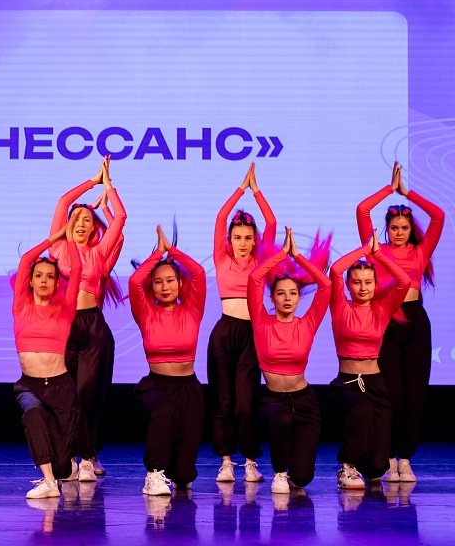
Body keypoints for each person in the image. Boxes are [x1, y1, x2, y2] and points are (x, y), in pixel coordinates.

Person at [356, 162, 444, 482]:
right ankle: (388, 456)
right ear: (387, 229)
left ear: (410, 230)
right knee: (391, 393)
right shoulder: (376, 250)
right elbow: (362, 210)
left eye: (404, 228)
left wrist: (408, 193)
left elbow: (438, 216)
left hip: (416, 322)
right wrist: (388, 190)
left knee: (414, 394)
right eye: (394, 227)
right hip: (387, 323)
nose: (399, 233)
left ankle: (404, 458)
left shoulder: (420, 253)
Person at [49, 155, 126, 481]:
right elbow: (63, 201)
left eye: (87, 219)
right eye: (77, 218)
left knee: (89, 394)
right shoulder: (58, 250)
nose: (82, 223)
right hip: (64, 327)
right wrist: (92, 181)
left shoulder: (98, 254)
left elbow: (121, 220)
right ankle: (68, 454)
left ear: (94, 227)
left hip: (93, 326)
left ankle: (87, 455)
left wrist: (107, 192)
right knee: (66, 394)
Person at [247, 228, 331, 494]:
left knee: (303, 478)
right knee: (280, 419)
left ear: (298, 297)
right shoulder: (262, 322)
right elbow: (254, 278)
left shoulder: (307, 323)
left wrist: (297, 257)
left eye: (292, 293)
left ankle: (293, 472)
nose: (287, 298)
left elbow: (326, 286)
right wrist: (282, 254)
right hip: (273, 401)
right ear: (272, 297)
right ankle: (279, 473)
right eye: (281, 293)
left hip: (304, 402)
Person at [208, 163, 276, 483]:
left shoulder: (261, 261)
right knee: (223, 399)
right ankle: (226, 460)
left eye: (248, 237)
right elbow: (221, 218)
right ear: (230, 239)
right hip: (225, 332)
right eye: (237, 237)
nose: (243, 243)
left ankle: (249, 460)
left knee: (247, 401)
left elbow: (271, 222)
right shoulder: (222, 259)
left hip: (252, 334)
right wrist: (240, 189)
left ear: (254, 240)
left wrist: (256, 190)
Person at [329, 230, 411, 488]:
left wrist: (379, 255)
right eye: (356, 282)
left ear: (376, 285)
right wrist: (366, 249)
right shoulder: (340, 307)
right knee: (360, 410)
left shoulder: (381, 309)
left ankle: (365, 464)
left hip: (376, 384)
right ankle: (347, 466)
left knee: (377, 468)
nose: (363, 288)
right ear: (348, 285)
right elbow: (335, 270)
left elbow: (404, 281)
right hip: (347, 383)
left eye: (368, 282)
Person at [129, 226, 206, 497]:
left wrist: (172, 251)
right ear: (152, 286)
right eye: (158, 282)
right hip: (156, 385)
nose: (165, 287)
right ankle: (154, 474)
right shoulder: (146, 312)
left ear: (180, 283)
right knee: (164, 410)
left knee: (183, 476)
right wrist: (157, 255)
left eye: (170, 280)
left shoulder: (192, 310)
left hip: (189, 389)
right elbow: (134, 282)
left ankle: (176, 472)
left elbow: (199, 273)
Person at [12, 213, 82, 499]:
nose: (44, 280)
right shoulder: (21, 306)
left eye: (50, 276)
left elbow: (77, 270)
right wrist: (54, 238)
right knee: (32, 412)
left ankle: (61, 471)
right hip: (29, 386)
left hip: (61, 388)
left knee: (64, 465)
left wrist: (70, 240)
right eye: (38, 276)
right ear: (29, 282)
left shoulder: (65, 309)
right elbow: (26, 260)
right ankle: (48, 482)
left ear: (56, 283)